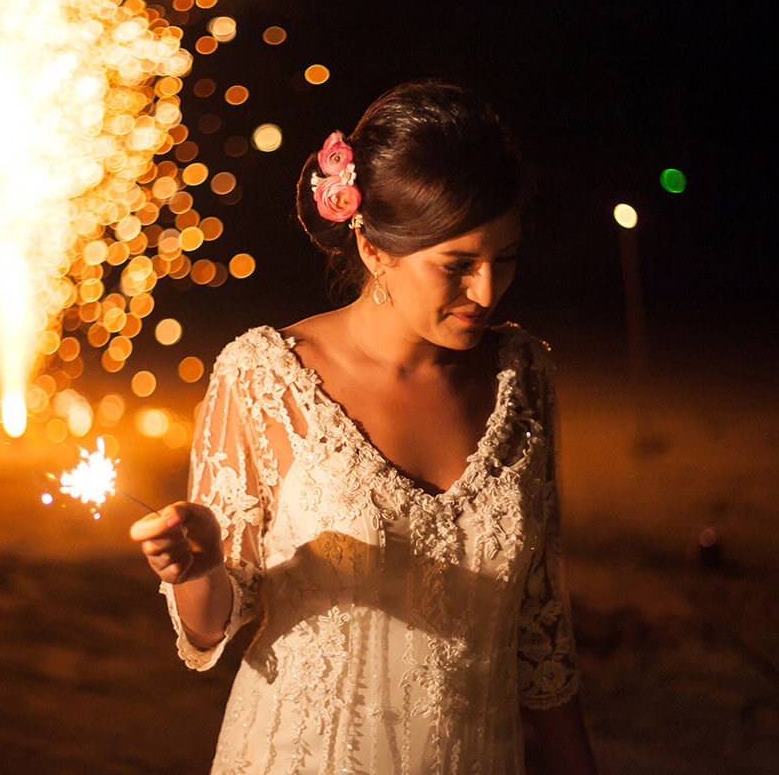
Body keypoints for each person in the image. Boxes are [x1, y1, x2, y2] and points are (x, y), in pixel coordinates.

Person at [130, 81, 597, 775]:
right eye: (457, 265)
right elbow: (208, 627)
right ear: (375, 249)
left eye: (506, 258)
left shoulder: (522, 377)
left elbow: (542, 637)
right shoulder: (267, 378)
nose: (488, 291)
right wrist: (197, 569)